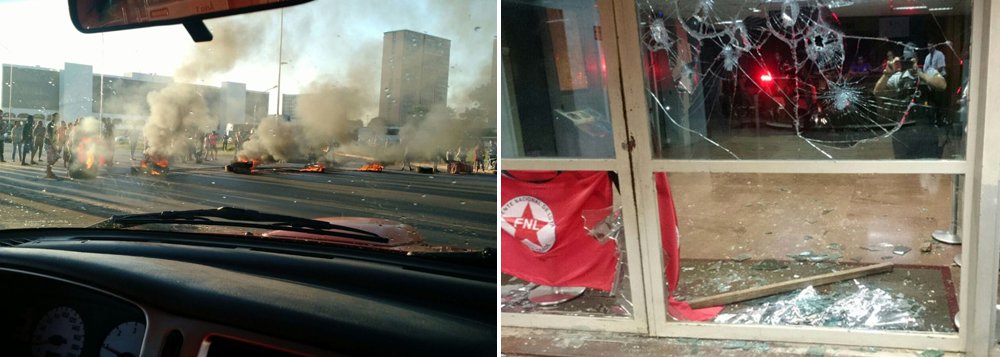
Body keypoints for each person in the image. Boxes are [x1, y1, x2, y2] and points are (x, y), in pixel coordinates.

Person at [875, 47, 948, 159]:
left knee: (928, 169)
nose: (909, 63)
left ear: (916, 59)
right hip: (904, 132)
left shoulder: (928, 72)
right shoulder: (899, 77)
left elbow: (942, 85)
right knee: (903, 172)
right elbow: (877, 92)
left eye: (911, 59)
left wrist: (919, 73)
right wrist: (886, 73)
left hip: (926, 130)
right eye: (907, 60)